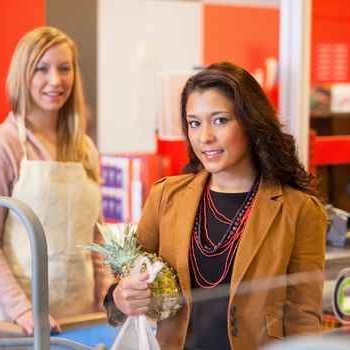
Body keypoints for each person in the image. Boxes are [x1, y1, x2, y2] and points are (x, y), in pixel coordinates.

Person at [105, 62, 327, 349]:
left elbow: (303, 317)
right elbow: (120, 293)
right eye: (194, 123)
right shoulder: (165, 197)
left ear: (250, 122)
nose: (205, 136)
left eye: (220, 120)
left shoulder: (299, 210)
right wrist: (121, 296)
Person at [0, 26, 111, 336]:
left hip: (78, 318)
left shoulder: (84, 148)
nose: (55, 81)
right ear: (23, 75)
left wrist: (108, 297)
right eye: (41, 69)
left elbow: (96, 238)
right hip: (12, 322)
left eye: (64, 68)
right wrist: (23, 310)